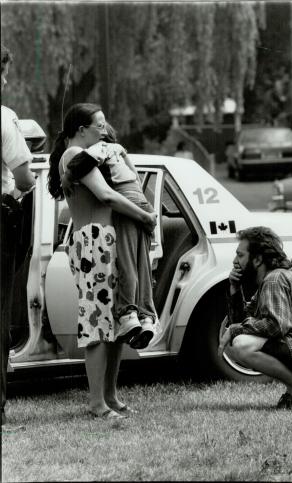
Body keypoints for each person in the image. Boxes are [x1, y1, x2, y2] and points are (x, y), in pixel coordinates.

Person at [48, 103, 156, 418]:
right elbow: (106, 195)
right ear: (81, 129)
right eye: (99, 125)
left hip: (105, 240)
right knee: (97, 324)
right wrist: (145, 216)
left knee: (116, 324)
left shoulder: (90, 155)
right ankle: (97, 403)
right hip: (93, 242)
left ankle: (110, 395)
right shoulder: (73, 157)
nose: (104, 131)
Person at [62, 121, 159, 350]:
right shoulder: (121, 150)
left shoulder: (102, 148)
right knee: (141, 266)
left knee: (126, 264)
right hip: (143, 205)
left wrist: (67, 175)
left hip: (127, 207)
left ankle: (128, 315)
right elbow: (135, 176)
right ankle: (146, 317)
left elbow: (83, 164)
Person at [219, 226, 292, 409]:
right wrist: (235, 289)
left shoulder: (274, 280)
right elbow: (242, 322)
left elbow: (277, 326)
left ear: (258, 259)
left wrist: (236, 330)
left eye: (240, 255)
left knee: (242, 345)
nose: (235, 261)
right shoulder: (271, 281)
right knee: (239, 341)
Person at [1, 45, 36, 430]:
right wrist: (24, 187)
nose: (6, 81)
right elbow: (24, 177)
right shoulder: (4, 117)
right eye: (4, 73)